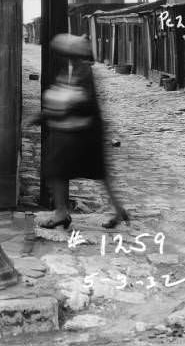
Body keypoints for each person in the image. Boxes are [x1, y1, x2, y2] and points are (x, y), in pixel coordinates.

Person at [35, 33, 129, 230]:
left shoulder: (83, 71)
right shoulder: (70, 69)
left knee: (60, 168)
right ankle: (118, 210)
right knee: (83, 171)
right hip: (77, 128)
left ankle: (62, 212)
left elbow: (82, 100)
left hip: (85, 131)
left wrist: (61, 105)